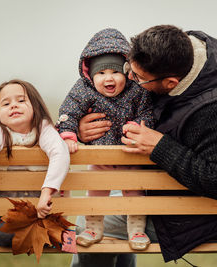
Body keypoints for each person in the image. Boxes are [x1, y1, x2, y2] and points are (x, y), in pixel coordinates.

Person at [75, 25, 217, 265]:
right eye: (128, 69)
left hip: (215, 212)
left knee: (85, 223)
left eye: (138, 78)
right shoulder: (177, 59)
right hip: (177, 194)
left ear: (171, 83)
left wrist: (159, 146)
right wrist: (83, 130)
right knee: (121, 204)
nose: (130, 78)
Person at [57, 28, 154, 251]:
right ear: (90, 75)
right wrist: (70, 134)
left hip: (130, 156)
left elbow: (147, 112)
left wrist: (139, 126)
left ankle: (136, 230)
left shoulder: (137, 90)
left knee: (134, 193)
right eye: (101, 73)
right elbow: (68, 112)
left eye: (115, 72)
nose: (108, 78)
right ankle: (93, 229)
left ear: (127, 73)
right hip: (100, 158)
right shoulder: (83, 90)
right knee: (96, 192)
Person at [0, 79, 70, 247]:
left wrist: (46, 193)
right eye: (6, 103)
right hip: (4, 215)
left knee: (51, 236)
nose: (13, 106)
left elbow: (60, 152)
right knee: (4, 237)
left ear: (35, 106)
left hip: (40, 211)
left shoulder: (44, 130)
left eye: (21, 100)